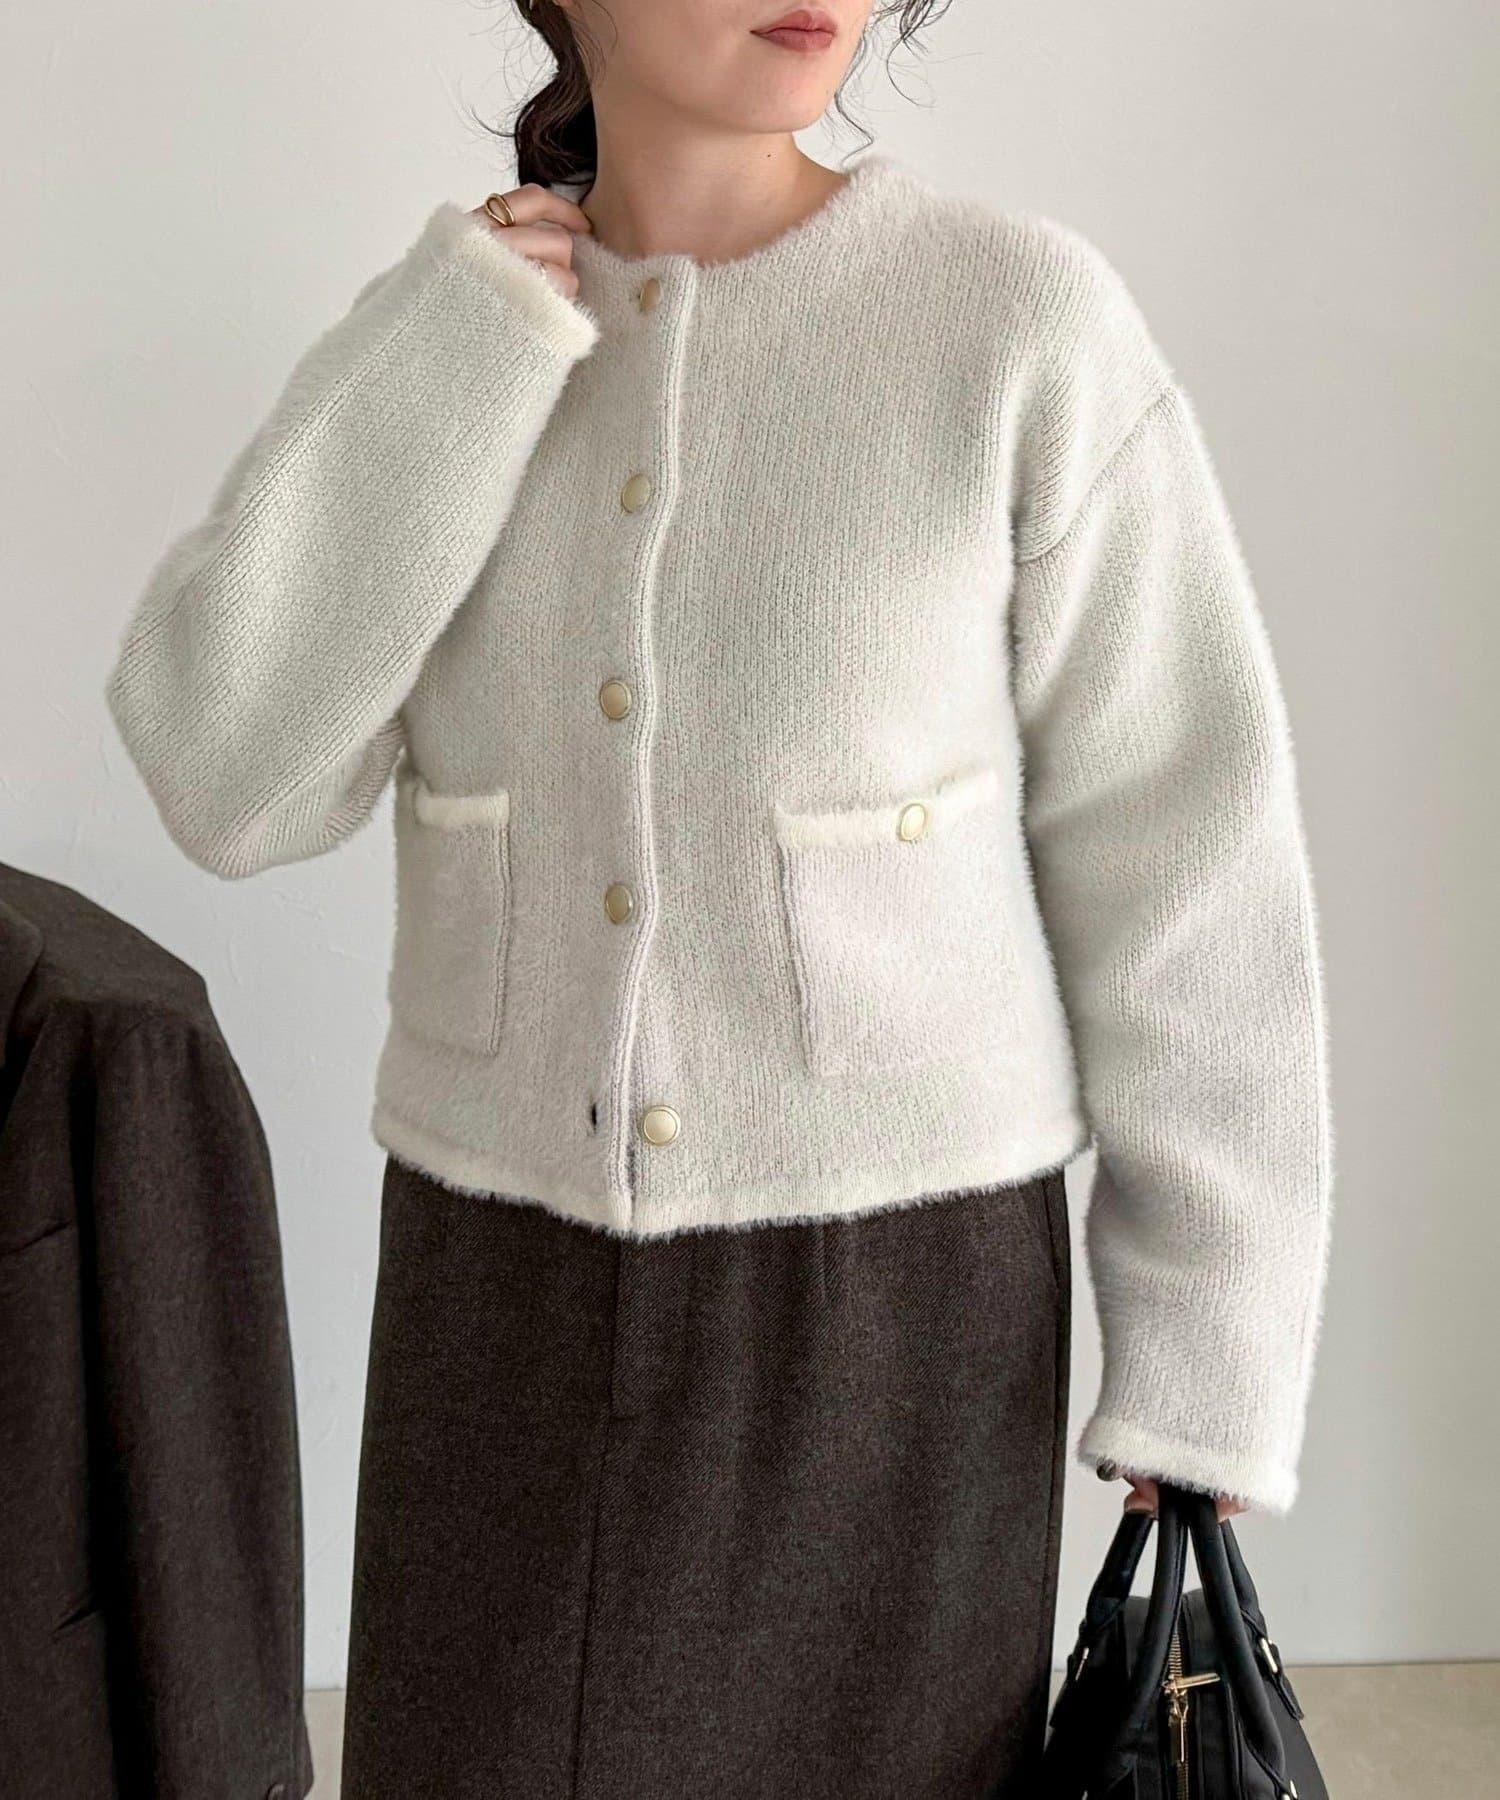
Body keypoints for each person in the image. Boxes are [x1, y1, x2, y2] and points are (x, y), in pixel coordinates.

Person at [102, 1, 1334, 1794]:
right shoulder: (456, 339)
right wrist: (461, 350)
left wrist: (1208, 1355)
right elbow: (229, 777)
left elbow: (1188, 861)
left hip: (894, 1311)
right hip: (499, 1288)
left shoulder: (1014, 322)